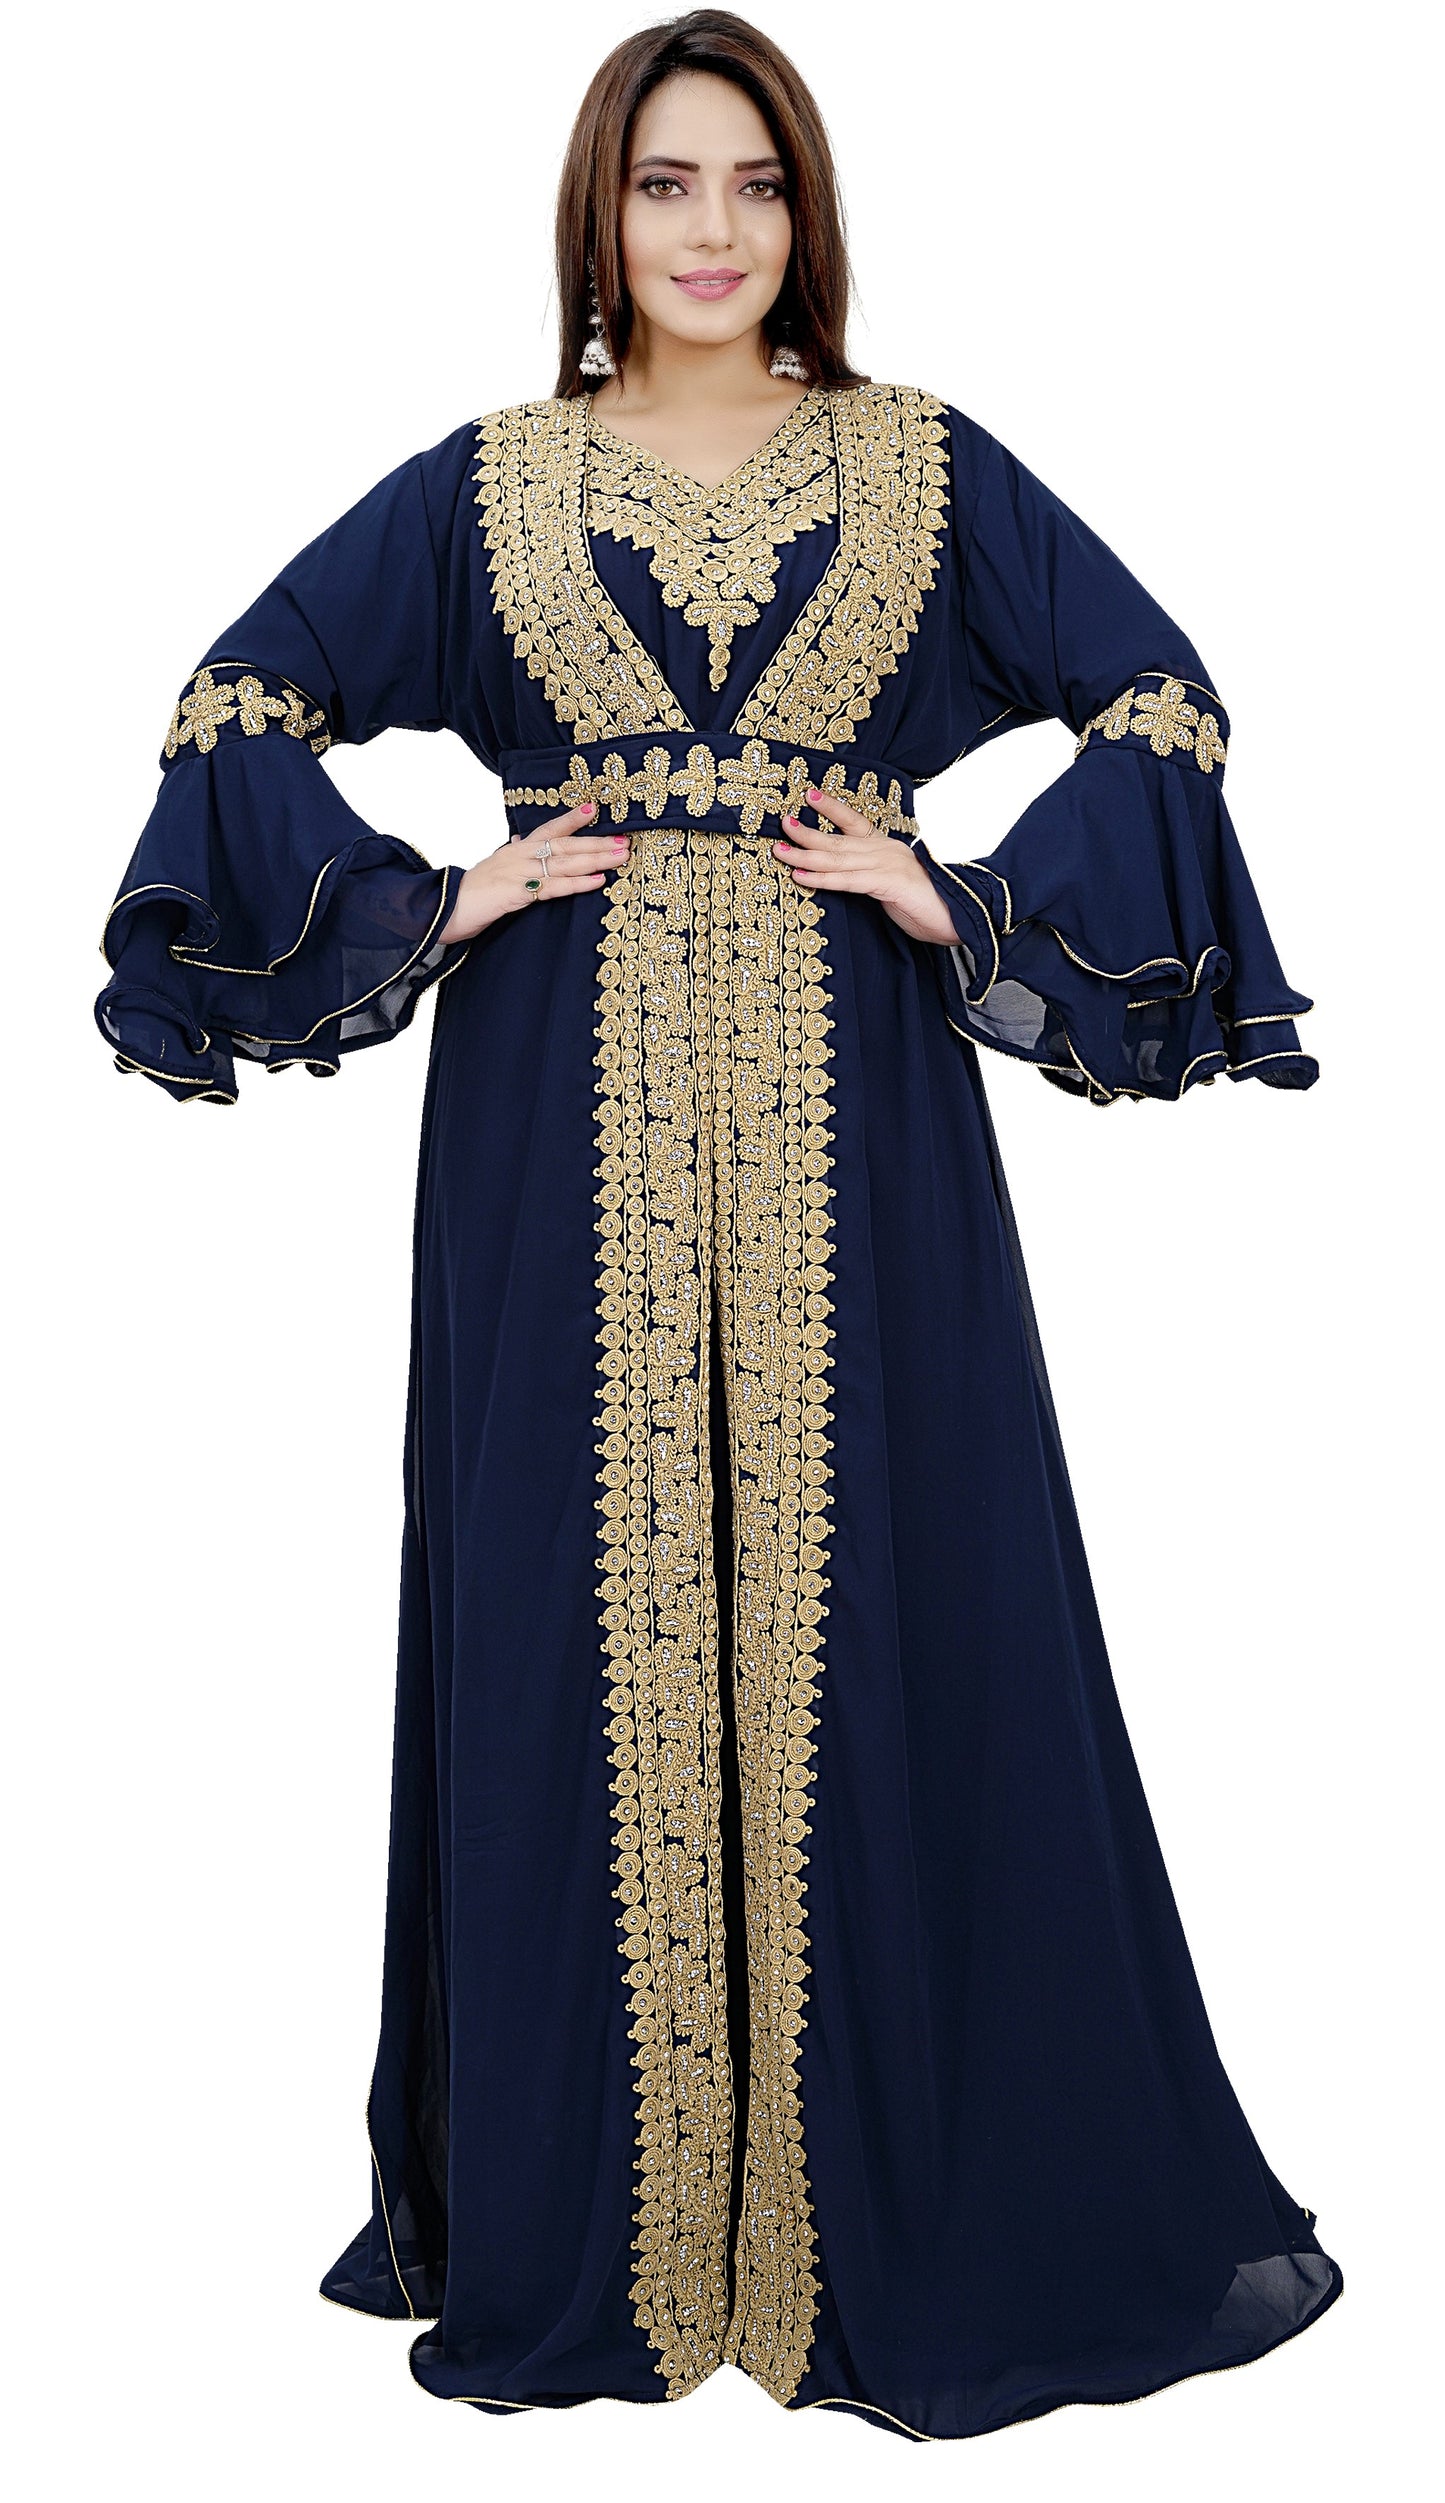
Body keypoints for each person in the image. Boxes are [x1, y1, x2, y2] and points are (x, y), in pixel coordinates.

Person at [94, 7, 1342, 2444]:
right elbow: (234, 704)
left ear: (809, 213)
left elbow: (1162, 699)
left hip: (862, 1116)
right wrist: (432, 896)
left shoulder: (921, 464)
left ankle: (885, 2221)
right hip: (549, 1118)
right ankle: (612, 2237)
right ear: (601, 210)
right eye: (667, 182)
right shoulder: (491, 482)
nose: (712, 229)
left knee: (899, 1578)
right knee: (569, 1596)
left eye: (756, 184)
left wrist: (961, 898)